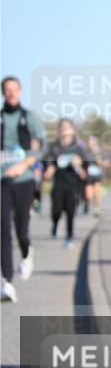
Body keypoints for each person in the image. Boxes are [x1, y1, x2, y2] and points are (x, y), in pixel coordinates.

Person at [1, 76, 46, 302]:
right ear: (3, 93)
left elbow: (43, 145)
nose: (11, 93)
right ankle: (7, 281)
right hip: (2, 182)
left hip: (23, 180)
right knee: (2, 230)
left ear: (19, 92)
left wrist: (24, 165)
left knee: (21, 229)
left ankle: (27, 254)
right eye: (7, 90)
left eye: (14, 89)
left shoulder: (29, 118)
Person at [43, 119, 91, 250]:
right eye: (62, 127)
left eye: (68, 127)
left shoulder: (78, 147)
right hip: (58, 183)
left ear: (73, 130)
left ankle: (69, 237)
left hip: (73, 184)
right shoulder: (54, 146)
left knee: (71, 211)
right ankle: (55, 223)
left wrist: (80, 167)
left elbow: (86, 168)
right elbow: (46, 163)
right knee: (57, 210)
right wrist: (48, 170)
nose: (65, 130)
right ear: (59, 130)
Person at [83, 135, 106, 216]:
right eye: (90, 142)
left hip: (97, 174)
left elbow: (105, 162)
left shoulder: (100, 152)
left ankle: (97, 208)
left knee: (97, 192)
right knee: (89, 194)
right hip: (88, 175)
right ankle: (86, 203)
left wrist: (101, 162)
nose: (91, 143)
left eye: (93, 142)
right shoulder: (85, 152)